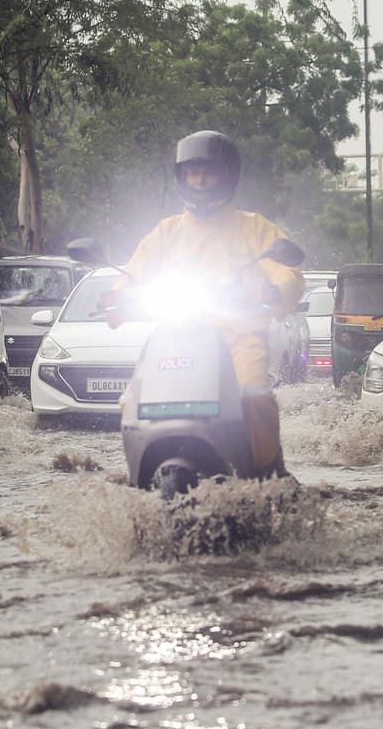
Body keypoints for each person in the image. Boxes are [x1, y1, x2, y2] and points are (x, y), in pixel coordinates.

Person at [104, 130, 305, 479]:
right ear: (181, 176)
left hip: (238, 338)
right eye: (191, 172)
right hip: (174, 339)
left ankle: (268, 471)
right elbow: (133, 274)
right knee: (130, 402)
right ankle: (138, 478)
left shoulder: (254, 228)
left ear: (227, 174)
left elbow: (288, 273)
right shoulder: (166, 232)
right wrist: (116, 296)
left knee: (254, 395)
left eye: (208, 171)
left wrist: (271, 288)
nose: (199, 180)